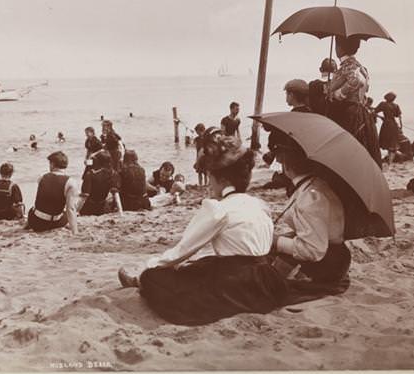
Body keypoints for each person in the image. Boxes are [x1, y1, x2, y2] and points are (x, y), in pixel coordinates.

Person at [117, 131, 287, 326]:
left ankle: (141, 279)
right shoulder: (259, 204)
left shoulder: (218, 209)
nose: (209, 182)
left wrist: (148, 266)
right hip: (266, 281)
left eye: (210, 176)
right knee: (204, 266)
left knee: (156, 278)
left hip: (236, 284)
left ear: (220, 180)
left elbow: (183, 250)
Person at [270, 137, 352, 302]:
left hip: (326, 263)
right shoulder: (315, 184)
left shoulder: (310, 197)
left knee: (266, 277)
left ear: (286, 166)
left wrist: (276, 241)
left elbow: (312, 251)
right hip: (334, 253)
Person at [327, 36, 381, 166]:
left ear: (340, 48)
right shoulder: (361, 67)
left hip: (348, 113)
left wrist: (338, 94)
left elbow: (356, 81)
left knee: (347, 150)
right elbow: (365, 87)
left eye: (337, 45)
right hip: (360, 112)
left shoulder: (349, 65)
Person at [27, 151, 80, 234]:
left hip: (36, 223)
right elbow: (71, 209)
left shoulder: (42, 177)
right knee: (67, 211)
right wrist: (75, 231)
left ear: (52, 164)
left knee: (34, 209)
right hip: (55, 223)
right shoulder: (71, 182)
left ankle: (27, 225)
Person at [79, 151, 120, 216]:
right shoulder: (113, 173)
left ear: (97, 161)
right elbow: (116, 194)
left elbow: (84, 196)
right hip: (103, 208)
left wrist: (76, 211)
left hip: (89, 208)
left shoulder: (90, 174)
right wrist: (120, 211)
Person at [374, 92, 403, 164]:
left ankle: (389, 161)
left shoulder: (383, 104)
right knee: (392, 144)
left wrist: (381, 117)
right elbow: (399, 117)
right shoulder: (396, 106)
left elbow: (374, 112)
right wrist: (401, 126)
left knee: (387, 142)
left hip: (386, 124)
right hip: (394, 125)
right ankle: (390, 162)